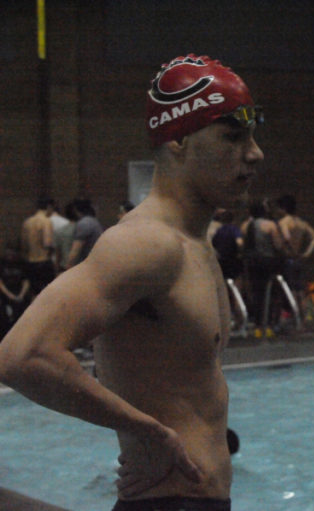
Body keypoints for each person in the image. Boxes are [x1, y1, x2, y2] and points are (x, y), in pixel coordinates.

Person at [0, 54, 264, 511]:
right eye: (232, 136)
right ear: (179, 141)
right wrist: (148, 431)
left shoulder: (193, 241)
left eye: (253, 136)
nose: (255, 152)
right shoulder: (145, 244)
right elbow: (22, 356)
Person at [241, 198, 288, 338]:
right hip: (268, 263)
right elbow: (278, 245)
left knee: (257, 294)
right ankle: (269, 324)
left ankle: (257, 325)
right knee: (271, 293)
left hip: (253, 264)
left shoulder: (245, 226)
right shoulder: (270, 225)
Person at [274, 194, 314, 321]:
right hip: (299, 259)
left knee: (291, 290)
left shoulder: (283, 223)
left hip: (288, 259)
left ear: (283, 208)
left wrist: (286, 249)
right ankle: (303, 317)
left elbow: (286, 238)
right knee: (300, 290)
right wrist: (306, 253)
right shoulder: (301, 223)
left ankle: (296, 318)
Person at [212, 209, 246, 336]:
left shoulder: (219, 231)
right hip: (234, 264)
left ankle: (225, 324)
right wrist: (241, 252)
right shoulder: (234, 229)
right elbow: (239, 242)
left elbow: (214, 246)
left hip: (222, 265)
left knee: (225, 296)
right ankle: (240, 322)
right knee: (237, 293)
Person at [20, 197, 57, 296]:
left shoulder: (27, 222)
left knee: (33, 294)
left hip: (30, 262)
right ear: (49, 207)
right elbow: (47, 243)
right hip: (43, 262)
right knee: (47, 294)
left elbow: (24, 245)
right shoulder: (46, 221)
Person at [0, 244, 31, 337]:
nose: (10, 256)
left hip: (19, 291)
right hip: (5, 293)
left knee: (21, 312)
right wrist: (10, 295)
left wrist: (21, 294)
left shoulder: (22, 263)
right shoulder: (2, 263)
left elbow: (26, 280)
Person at [64, 198, 104, 269]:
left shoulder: (84, 223)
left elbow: (76, 250)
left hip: (87, 266)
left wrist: (68, 267)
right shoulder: (94, 222)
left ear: (76, 210)